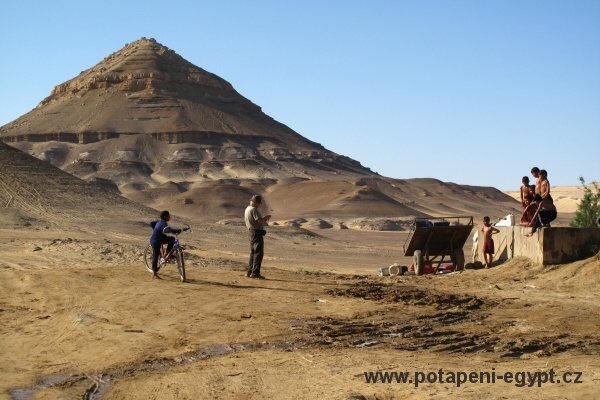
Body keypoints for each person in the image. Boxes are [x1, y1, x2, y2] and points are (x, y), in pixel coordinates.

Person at [149, 210, 188, 279]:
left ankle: (167, 253)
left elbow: (151, 223)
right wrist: (180, 230)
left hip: (160, 238)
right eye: (168, 216)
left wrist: (156, 230)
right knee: (156, 255)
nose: (169, 217)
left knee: (172, 240)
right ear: (165, 217)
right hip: (155, 241)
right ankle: (154, 272)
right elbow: (171, 230)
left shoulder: (160, 222)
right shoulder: (163, 224)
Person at [244, 195, 271, 279]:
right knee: (258, 253)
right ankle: (255, 273)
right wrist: (266, 218)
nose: (259, 205)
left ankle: (249, 272)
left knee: (253, 253)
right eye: (259, 203)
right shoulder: (253, 209)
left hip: (251, 232)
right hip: (256, 232)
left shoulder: (247, 209)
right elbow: (259, 221)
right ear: (255, 203)